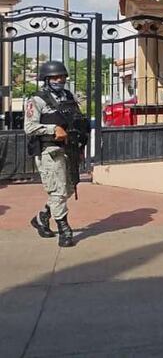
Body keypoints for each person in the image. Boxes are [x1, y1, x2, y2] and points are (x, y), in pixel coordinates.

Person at [24, 60, 83, 247]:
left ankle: (42, 217)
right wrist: (52, 128)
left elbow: (76, 120)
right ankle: (64, 230)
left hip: (69, 149)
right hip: (49, 151)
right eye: (55, 77)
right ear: (46, 79)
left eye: (62, 76)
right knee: (57, 191)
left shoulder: (68, 96)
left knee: (68, 188)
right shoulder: (37, 100)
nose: (60, 79)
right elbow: (29, 127)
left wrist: (80, 141)